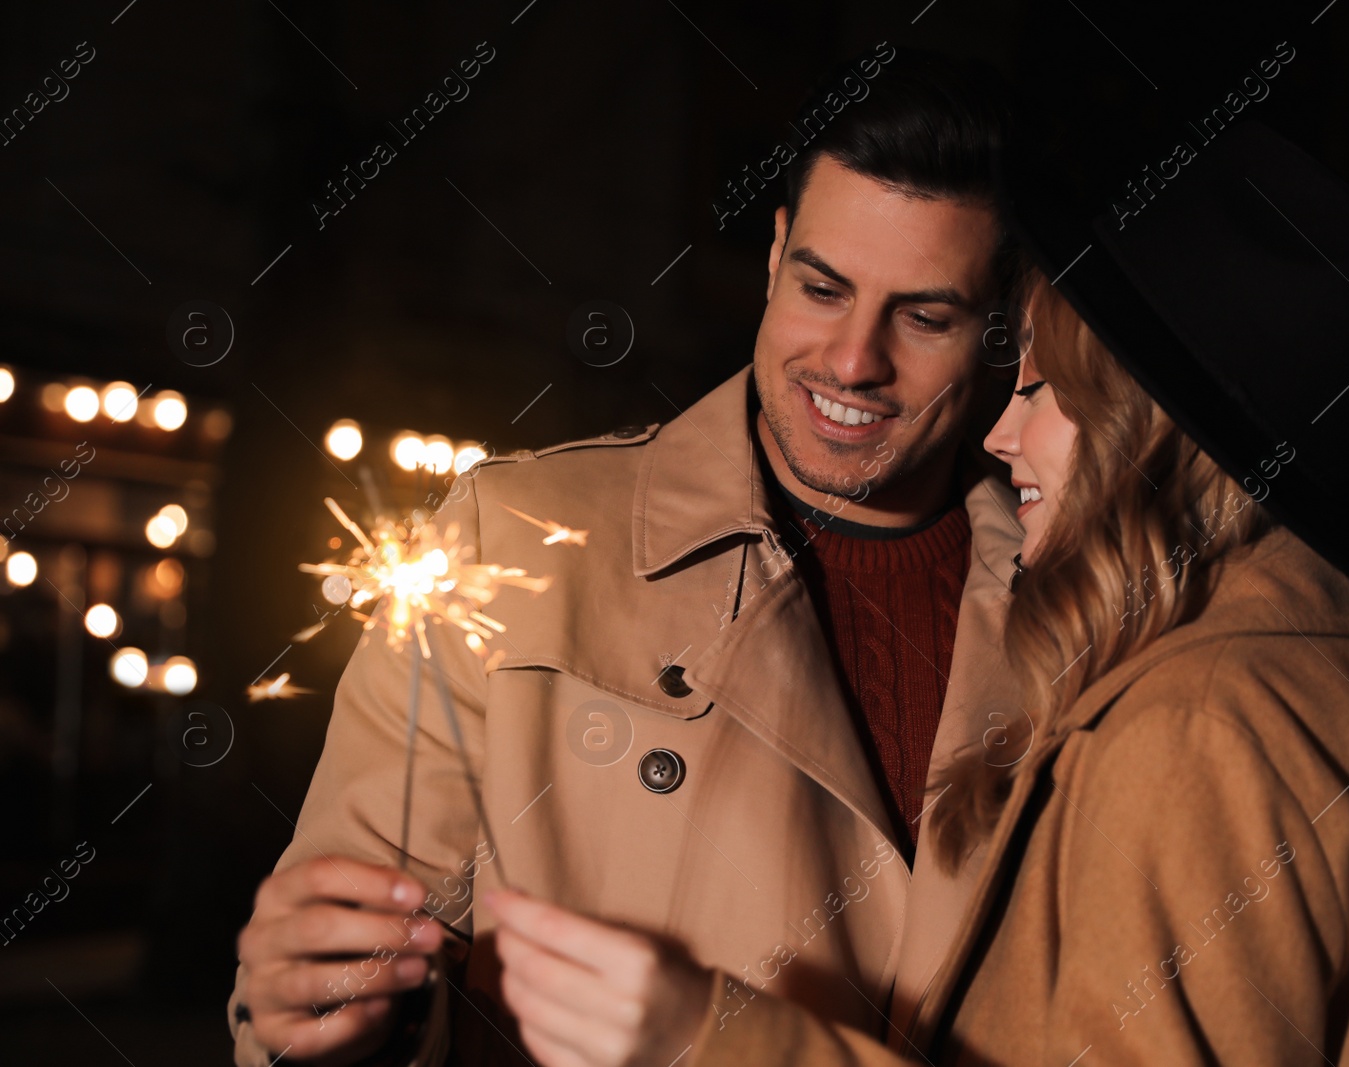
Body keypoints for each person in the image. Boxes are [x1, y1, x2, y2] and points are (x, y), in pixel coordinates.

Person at [475, 120, 1349, 1064]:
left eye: (1050, 390)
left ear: (1147, 441)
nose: (1002, 432)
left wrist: (705, 1036)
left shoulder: (1200, 726)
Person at [228, 48, 1034, 1067]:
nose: (851, 360)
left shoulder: (1082, 603)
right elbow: (357, 963)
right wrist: (325, 1013)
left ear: (1003, 330)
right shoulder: (513, 539)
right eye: (821, 287)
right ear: (776, 249)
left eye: (924, 317)